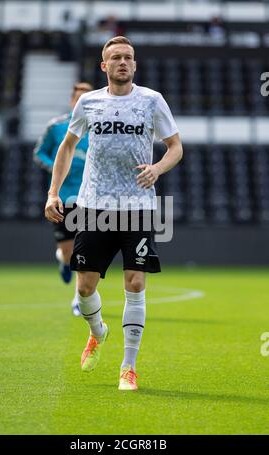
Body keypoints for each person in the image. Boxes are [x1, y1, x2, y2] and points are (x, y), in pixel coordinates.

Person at [45, 36, 183, 390]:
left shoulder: (152, 100)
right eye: (115, 58)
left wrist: (158, 168)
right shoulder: (89, 103)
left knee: (135, 283)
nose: (123, 62)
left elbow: (175, 146)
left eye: (128, 57)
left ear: (135, 65)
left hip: (137, 206)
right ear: (104, 66)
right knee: (86, 287)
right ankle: (97, 332)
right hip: (93, 206)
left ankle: (129, 366)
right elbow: (68, 145)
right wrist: (53, 193)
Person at [34, 82, 93, 316]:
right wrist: (56, 169)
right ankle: (62, 260)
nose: (82, 103)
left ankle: (78, 299)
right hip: (62, 197)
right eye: (78, 98)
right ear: (72, 101)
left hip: (91, 198)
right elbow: (39, 153)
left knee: (85, 252)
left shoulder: (100, 127)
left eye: (86, 98)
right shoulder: (57, 126)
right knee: (69, 253)